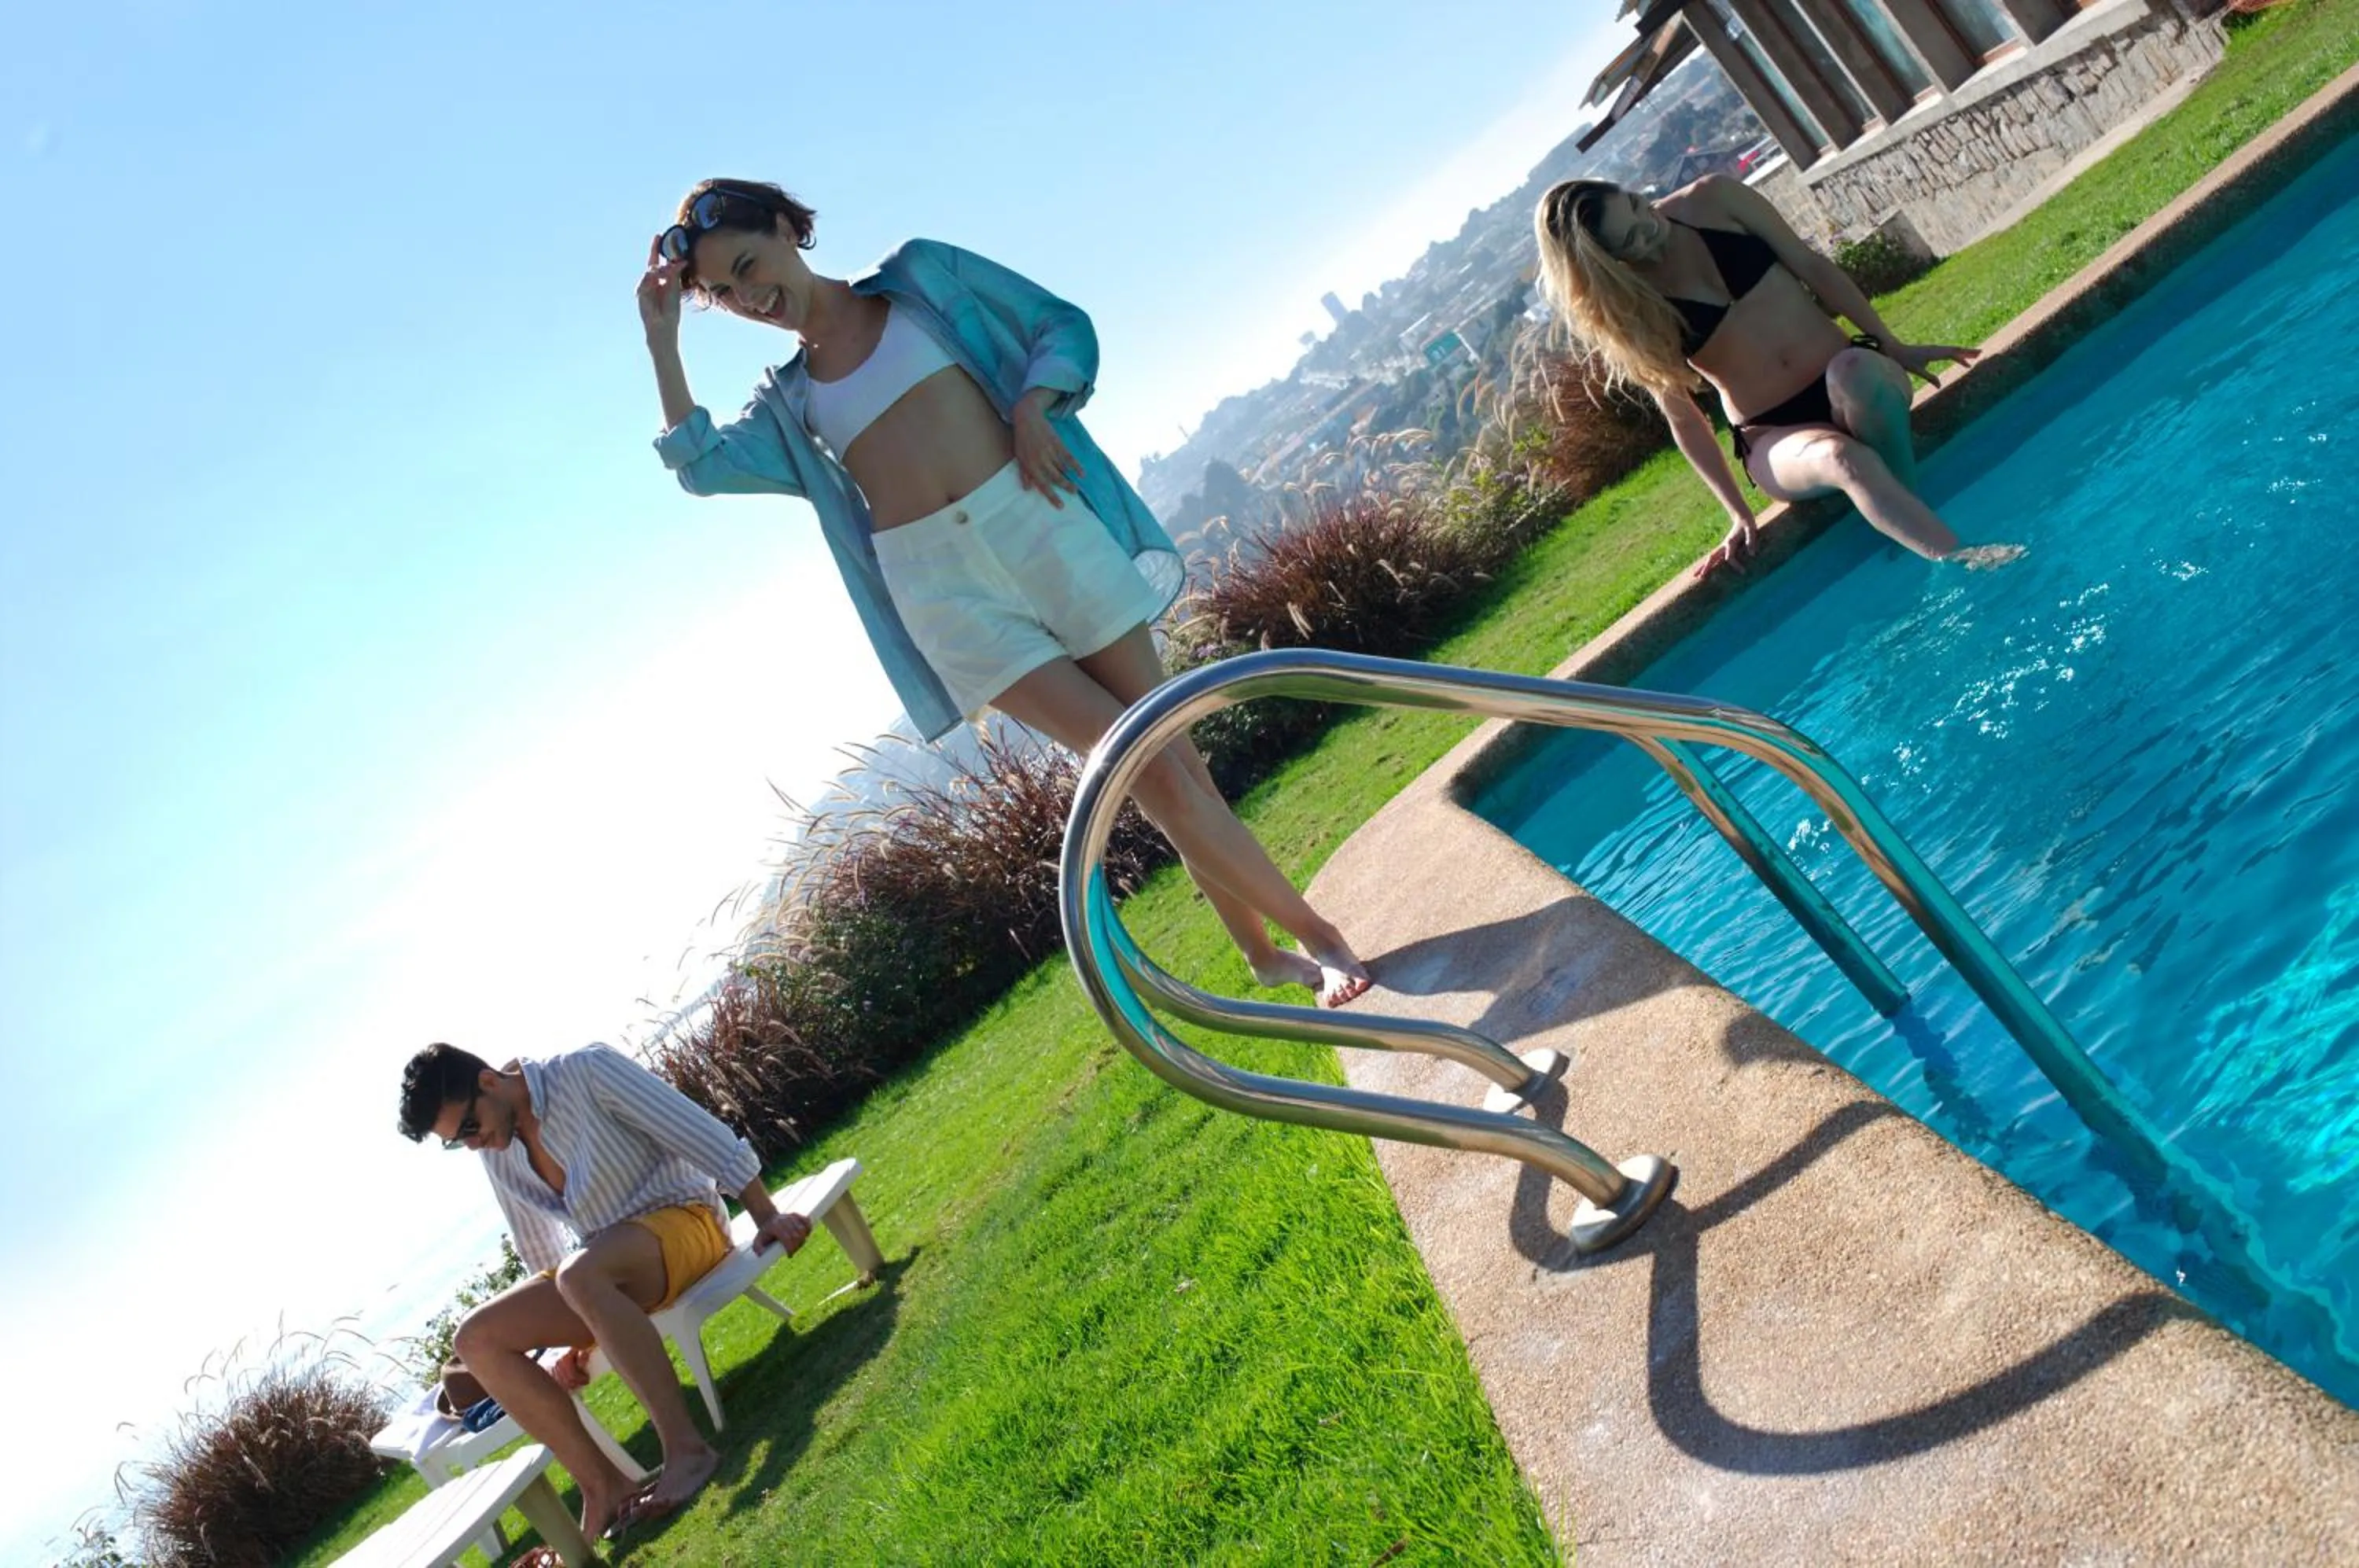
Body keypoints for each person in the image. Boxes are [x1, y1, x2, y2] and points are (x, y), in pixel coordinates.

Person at [637, 179, 1370, 1007]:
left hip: (1039, 518)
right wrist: (665, 343)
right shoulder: (787, 404)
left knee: (1175, 761)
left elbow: (1059, 323)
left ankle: (1263, 955)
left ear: (781, 225)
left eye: (747, 264)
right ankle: (1323, 942)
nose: (751, 296)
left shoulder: (920, 280)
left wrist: (1033, 406)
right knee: (1141, 764)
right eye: (728, 295)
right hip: (948, 597)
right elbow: (701, 465)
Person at [396, 1041, 815, 1540]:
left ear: (488, 1082)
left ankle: (687, 1451)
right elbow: (542, 1253)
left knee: (579, 1276)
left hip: (687, 1223)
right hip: (603, 1270)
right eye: (456, 1141)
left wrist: (765, 1213)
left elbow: (697, 1131)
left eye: (468, 1126)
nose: (473, 1143)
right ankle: (603, 1487)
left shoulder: (586, 1071)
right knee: (474, 1340)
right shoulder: (499, 1149)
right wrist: (577, 1338)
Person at [1533, 175, 2019, 574]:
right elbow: (1683, 418)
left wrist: (1891, 344)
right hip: (1774, 436)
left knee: (1855, 372)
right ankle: (1964, 562)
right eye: (1631, 238)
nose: (1649, 227)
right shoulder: (1630, 307)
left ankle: (1907, 526)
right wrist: (1737, 512)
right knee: (1843, 459)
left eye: (1638, 206)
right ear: (1608, 262)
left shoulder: (1715, 200)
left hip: (1847, 375)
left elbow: (1812, 265)